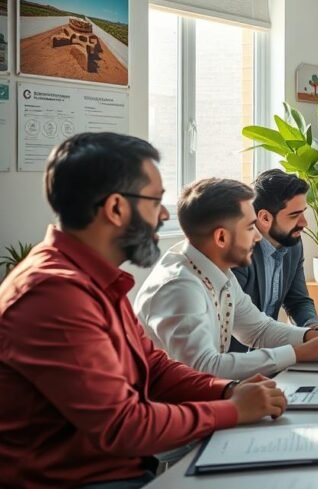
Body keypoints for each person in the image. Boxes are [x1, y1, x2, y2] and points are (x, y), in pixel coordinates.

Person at [0, 133, 286, 489]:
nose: (165, 215)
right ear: (116, 208)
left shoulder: (96, 277)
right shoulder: (54, 293)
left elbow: (154, 367)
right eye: (155, 201)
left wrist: (227, 391)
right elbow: (122, 425)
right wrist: (233, 410)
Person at [134, 178, 318, 379]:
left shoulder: (218, 271)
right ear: (221, 237)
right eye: (250, 227)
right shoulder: (179, 287)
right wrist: (297, 353)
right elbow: (204, 367)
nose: (258, 236)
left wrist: (310, 336)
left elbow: (258, 330)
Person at [232, 170, 318, 349]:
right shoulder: (238, 253)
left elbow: (298, 300)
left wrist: (314, 328)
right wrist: (305, 340)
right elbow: (239, 325)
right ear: (265, 218)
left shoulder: (293, 245)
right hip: (238, 362)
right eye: (294, 215)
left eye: (303, 212)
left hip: (270, 355)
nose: (304, 223)